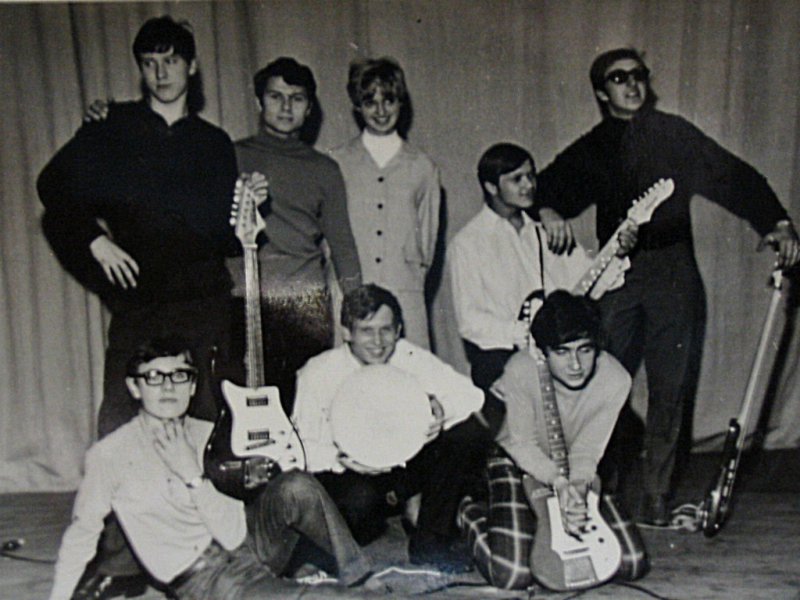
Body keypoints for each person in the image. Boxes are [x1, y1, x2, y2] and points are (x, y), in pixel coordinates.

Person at [535, 48, 800, 525]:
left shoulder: (676, 134)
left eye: (638, 75)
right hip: (617, 275)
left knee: (671, 388)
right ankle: (598, 488)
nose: (632, 85)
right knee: (598, 381)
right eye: (619, 78)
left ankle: (657, 495)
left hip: (674, 274)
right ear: (601, 92)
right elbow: (544, 187)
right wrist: (548, 210)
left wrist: (776, 223)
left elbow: (735, 177)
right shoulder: (594, 146)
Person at [37, 16, 239, 597]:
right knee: (121, 422)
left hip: (202, 300)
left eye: (171, 61)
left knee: (205, 420)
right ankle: (120, 564)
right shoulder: (114, 127)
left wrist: (247, 212)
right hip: (141, 304)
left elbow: (225, 233)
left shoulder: (214, 143)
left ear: (192, 67)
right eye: (150, 62)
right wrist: (93, 241)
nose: (161, 72)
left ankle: (208, 551)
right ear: (140, 69)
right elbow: (53, 187)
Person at [48, 337, 375, 600]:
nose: (168, 388)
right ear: (135, 387)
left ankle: (358, 575)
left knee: (296, 486)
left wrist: (200, 475)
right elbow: (81, 535)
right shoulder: (109, 454)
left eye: (179, 376)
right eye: (154, 377)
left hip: (245, 544)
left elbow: (233, 533)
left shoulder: (208, 432)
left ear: (192, 386)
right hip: (207, 579)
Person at [292, 284, 493, 572]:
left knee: (467, 434)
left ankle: (429, 540)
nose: (378, 342)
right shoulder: (318, 372)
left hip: (407, 467)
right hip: (354, 474)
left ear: (398, 330)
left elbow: (472, 397)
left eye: (386, 330)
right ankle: (396, 514)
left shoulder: (409, 357)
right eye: (366, 331)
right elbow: (301, 447)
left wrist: (440, 408)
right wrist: (339, 459)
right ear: (347, 332)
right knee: (359, 508)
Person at [458, 291, 631, 590]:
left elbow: (588, 449)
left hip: (572, 465)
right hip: (518, 460)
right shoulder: (521, 369)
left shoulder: (616, 379)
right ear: (542, 351)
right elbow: (522, 444)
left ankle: (529, 524)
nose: (575, 365)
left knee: (627, 561)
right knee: (514, 572)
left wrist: (577, 491)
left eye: (585, 350)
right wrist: (558, 484)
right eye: (562, 352)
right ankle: (467, 512)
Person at [224, 56, 363, 414]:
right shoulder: (230, 156)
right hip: (244, 300)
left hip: (304, 303)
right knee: (246, 410)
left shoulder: (325, 169)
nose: (286, 107)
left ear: (309, 108)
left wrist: (357, 306)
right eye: (276, 97)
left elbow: (343, 245)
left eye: (297, 98)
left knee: (302, 408)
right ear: (259, 101)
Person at [447, 143, 637, 390]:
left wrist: (617, 253)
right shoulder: (467, 243)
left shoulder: (547, 230)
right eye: (517, 179)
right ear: (491, 187)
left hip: (557, 356)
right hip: (505, 358)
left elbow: (590, 282)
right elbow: (470, 320)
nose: (529, 185)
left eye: (531, 175)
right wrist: (524, 333)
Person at [332, 57, 441, 348]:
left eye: (389, 100)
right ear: (358, 106)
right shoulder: (337, 163)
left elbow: (426, 245)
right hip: (350, 294)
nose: (381, 111)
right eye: (370, 102)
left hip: (404, 294)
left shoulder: (423, 167)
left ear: (400, 102)